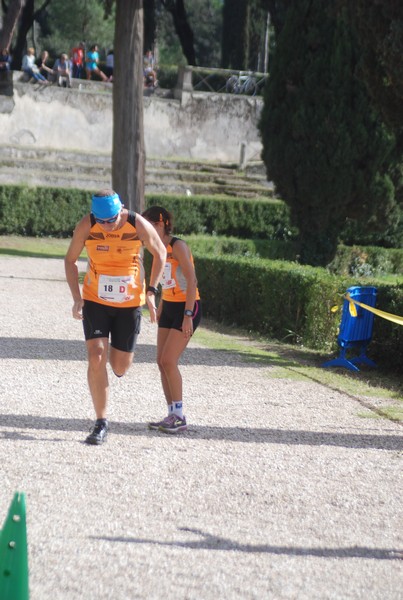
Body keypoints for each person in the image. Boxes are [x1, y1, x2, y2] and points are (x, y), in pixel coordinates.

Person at [64, 190, 166, 445]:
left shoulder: (136, 224)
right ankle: (101, 421)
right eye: (102, 221)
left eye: (111, 220)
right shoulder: (87, 224)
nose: (107, 226)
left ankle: (115, 350)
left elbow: (161, 253)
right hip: (95, 299)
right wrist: (77, 297)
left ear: (121, 209)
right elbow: (70, 260)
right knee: (96, 355)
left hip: (129, 303)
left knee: (119, 366)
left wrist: (151, 291)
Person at [142, 206, 202, 434]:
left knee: (169, 360)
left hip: (188, 307)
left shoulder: (178, 245)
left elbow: (192, 281)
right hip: (170, 307)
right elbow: (167, 281)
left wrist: (187, 315)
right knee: (160, 361)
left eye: (148, 226)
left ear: (160, 224)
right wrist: (161, 304)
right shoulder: (157, 248)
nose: (145, 231)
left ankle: (179, 416)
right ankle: (171, 414)